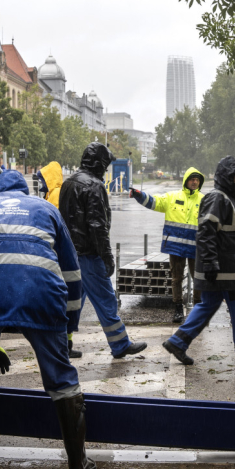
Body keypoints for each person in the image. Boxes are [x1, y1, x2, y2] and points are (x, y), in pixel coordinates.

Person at [0, 170, 92, 469]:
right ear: (23, 190)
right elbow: (73, 274)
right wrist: (69, 325)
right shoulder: (46, 209)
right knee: (61, 380)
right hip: (40, 294)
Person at [162, 157, 235, 366]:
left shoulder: (228, 198)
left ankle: (178, 342)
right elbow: (206, 232)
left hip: (223, 269)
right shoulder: (219, 198)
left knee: (208, 305)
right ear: (227, 177)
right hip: (225, 270)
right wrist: (211, 262)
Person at [59, 143, 147, 359]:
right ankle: (120, 344)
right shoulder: (95, 185)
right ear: (99, 163)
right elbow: (98, 226)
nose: (106, 169)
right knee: (106, 299)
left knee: (72, 301)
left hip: (70, 254)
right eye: (105, 164)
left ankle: (64, 344)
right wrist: (107, 256)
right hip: (89, 255)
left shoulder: (68, 182)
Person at [129, 167, 204, 322]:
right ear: (186, 181)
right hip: (176, 247)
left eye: (197, 180)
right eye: (192, 179)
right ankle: (177, 309)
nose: (194, 182)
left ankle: (198, 310)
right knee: (176, 279)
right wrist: (139, 195)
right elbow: (154, 202)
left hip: (196, 247)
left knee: (198, 279)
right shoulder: (172, 197)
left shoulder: (204, 200)